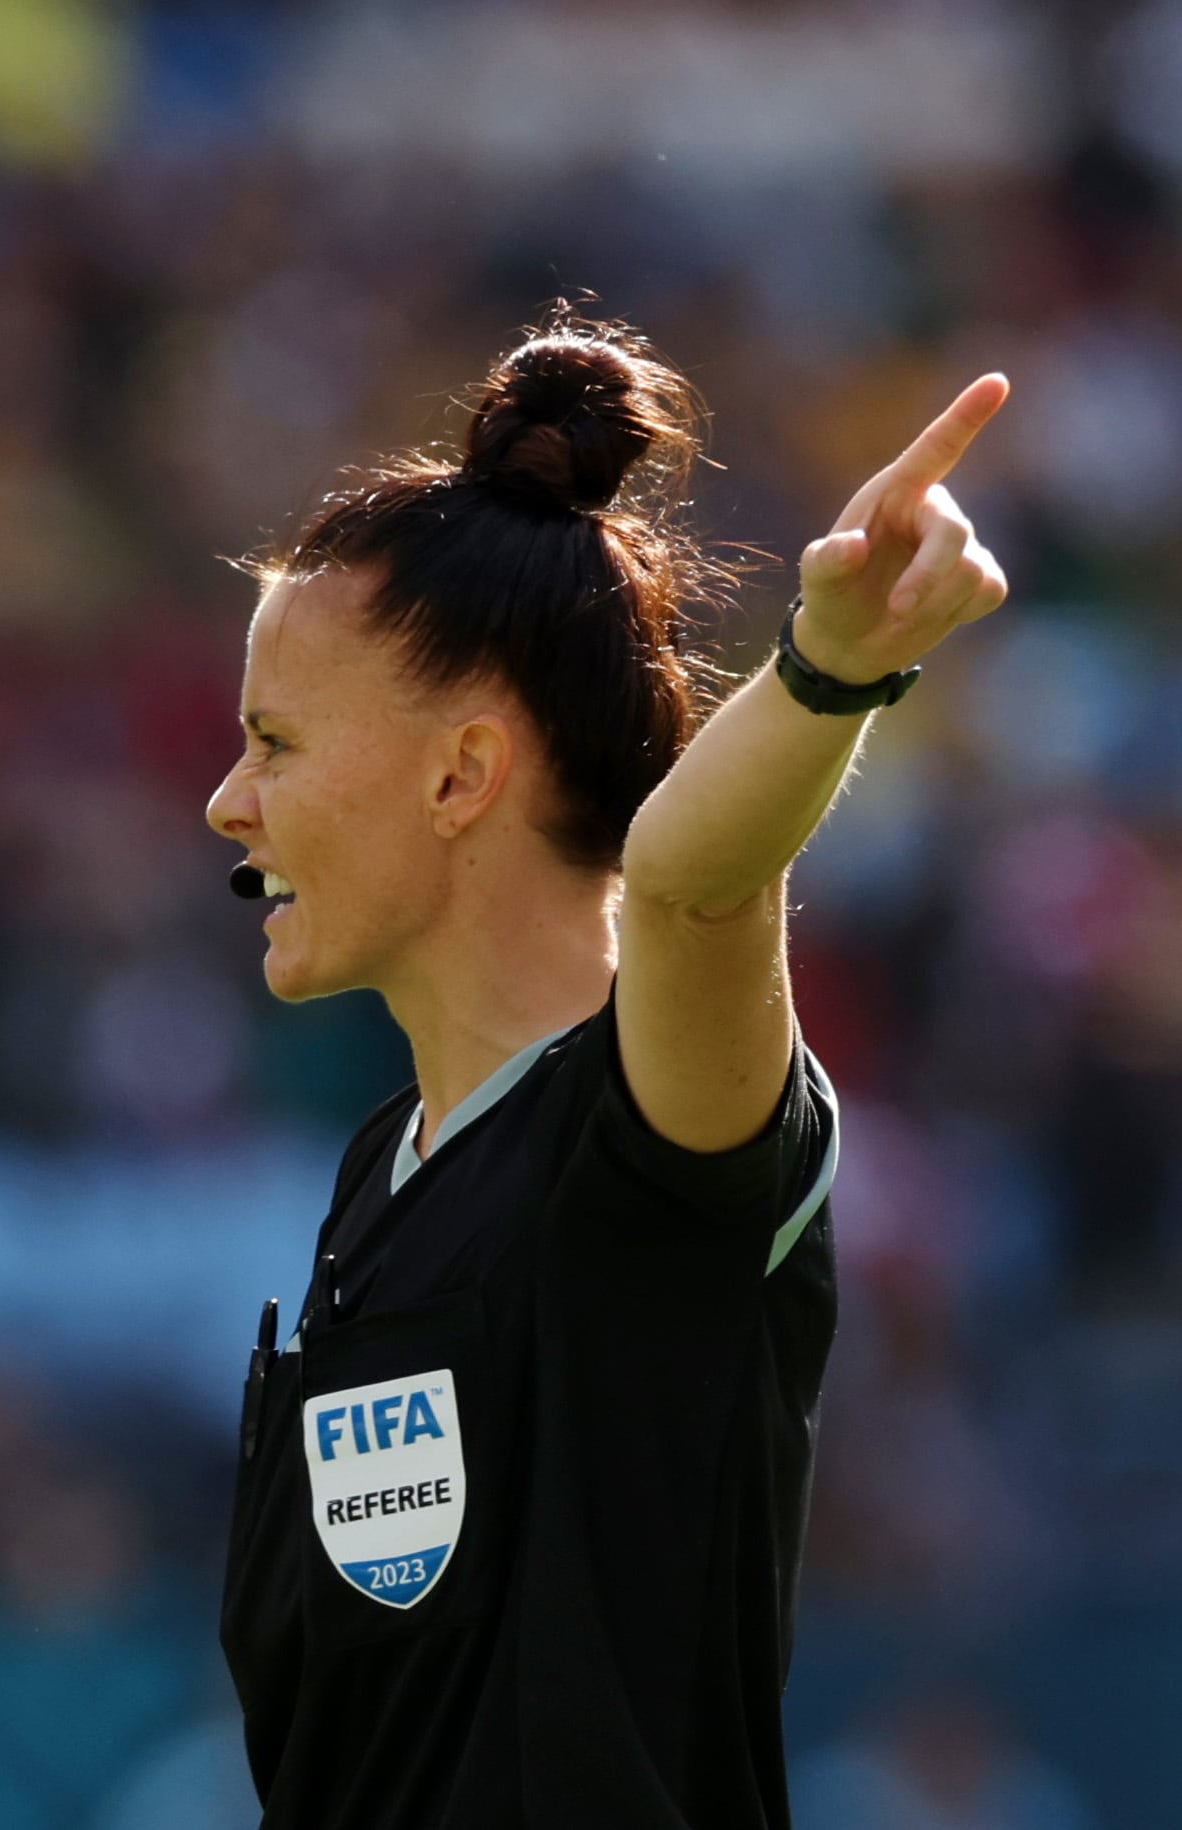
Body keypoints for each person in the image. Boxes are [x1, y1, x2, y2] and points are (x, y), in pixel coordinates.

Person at [207, 311, 1009, 1828]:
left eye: (275, 742)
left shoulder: (653, 1130)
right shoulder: (379, 1180)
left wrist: (829, 666)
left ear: (461, 775)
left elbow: (692, 885)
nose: (225, 803)